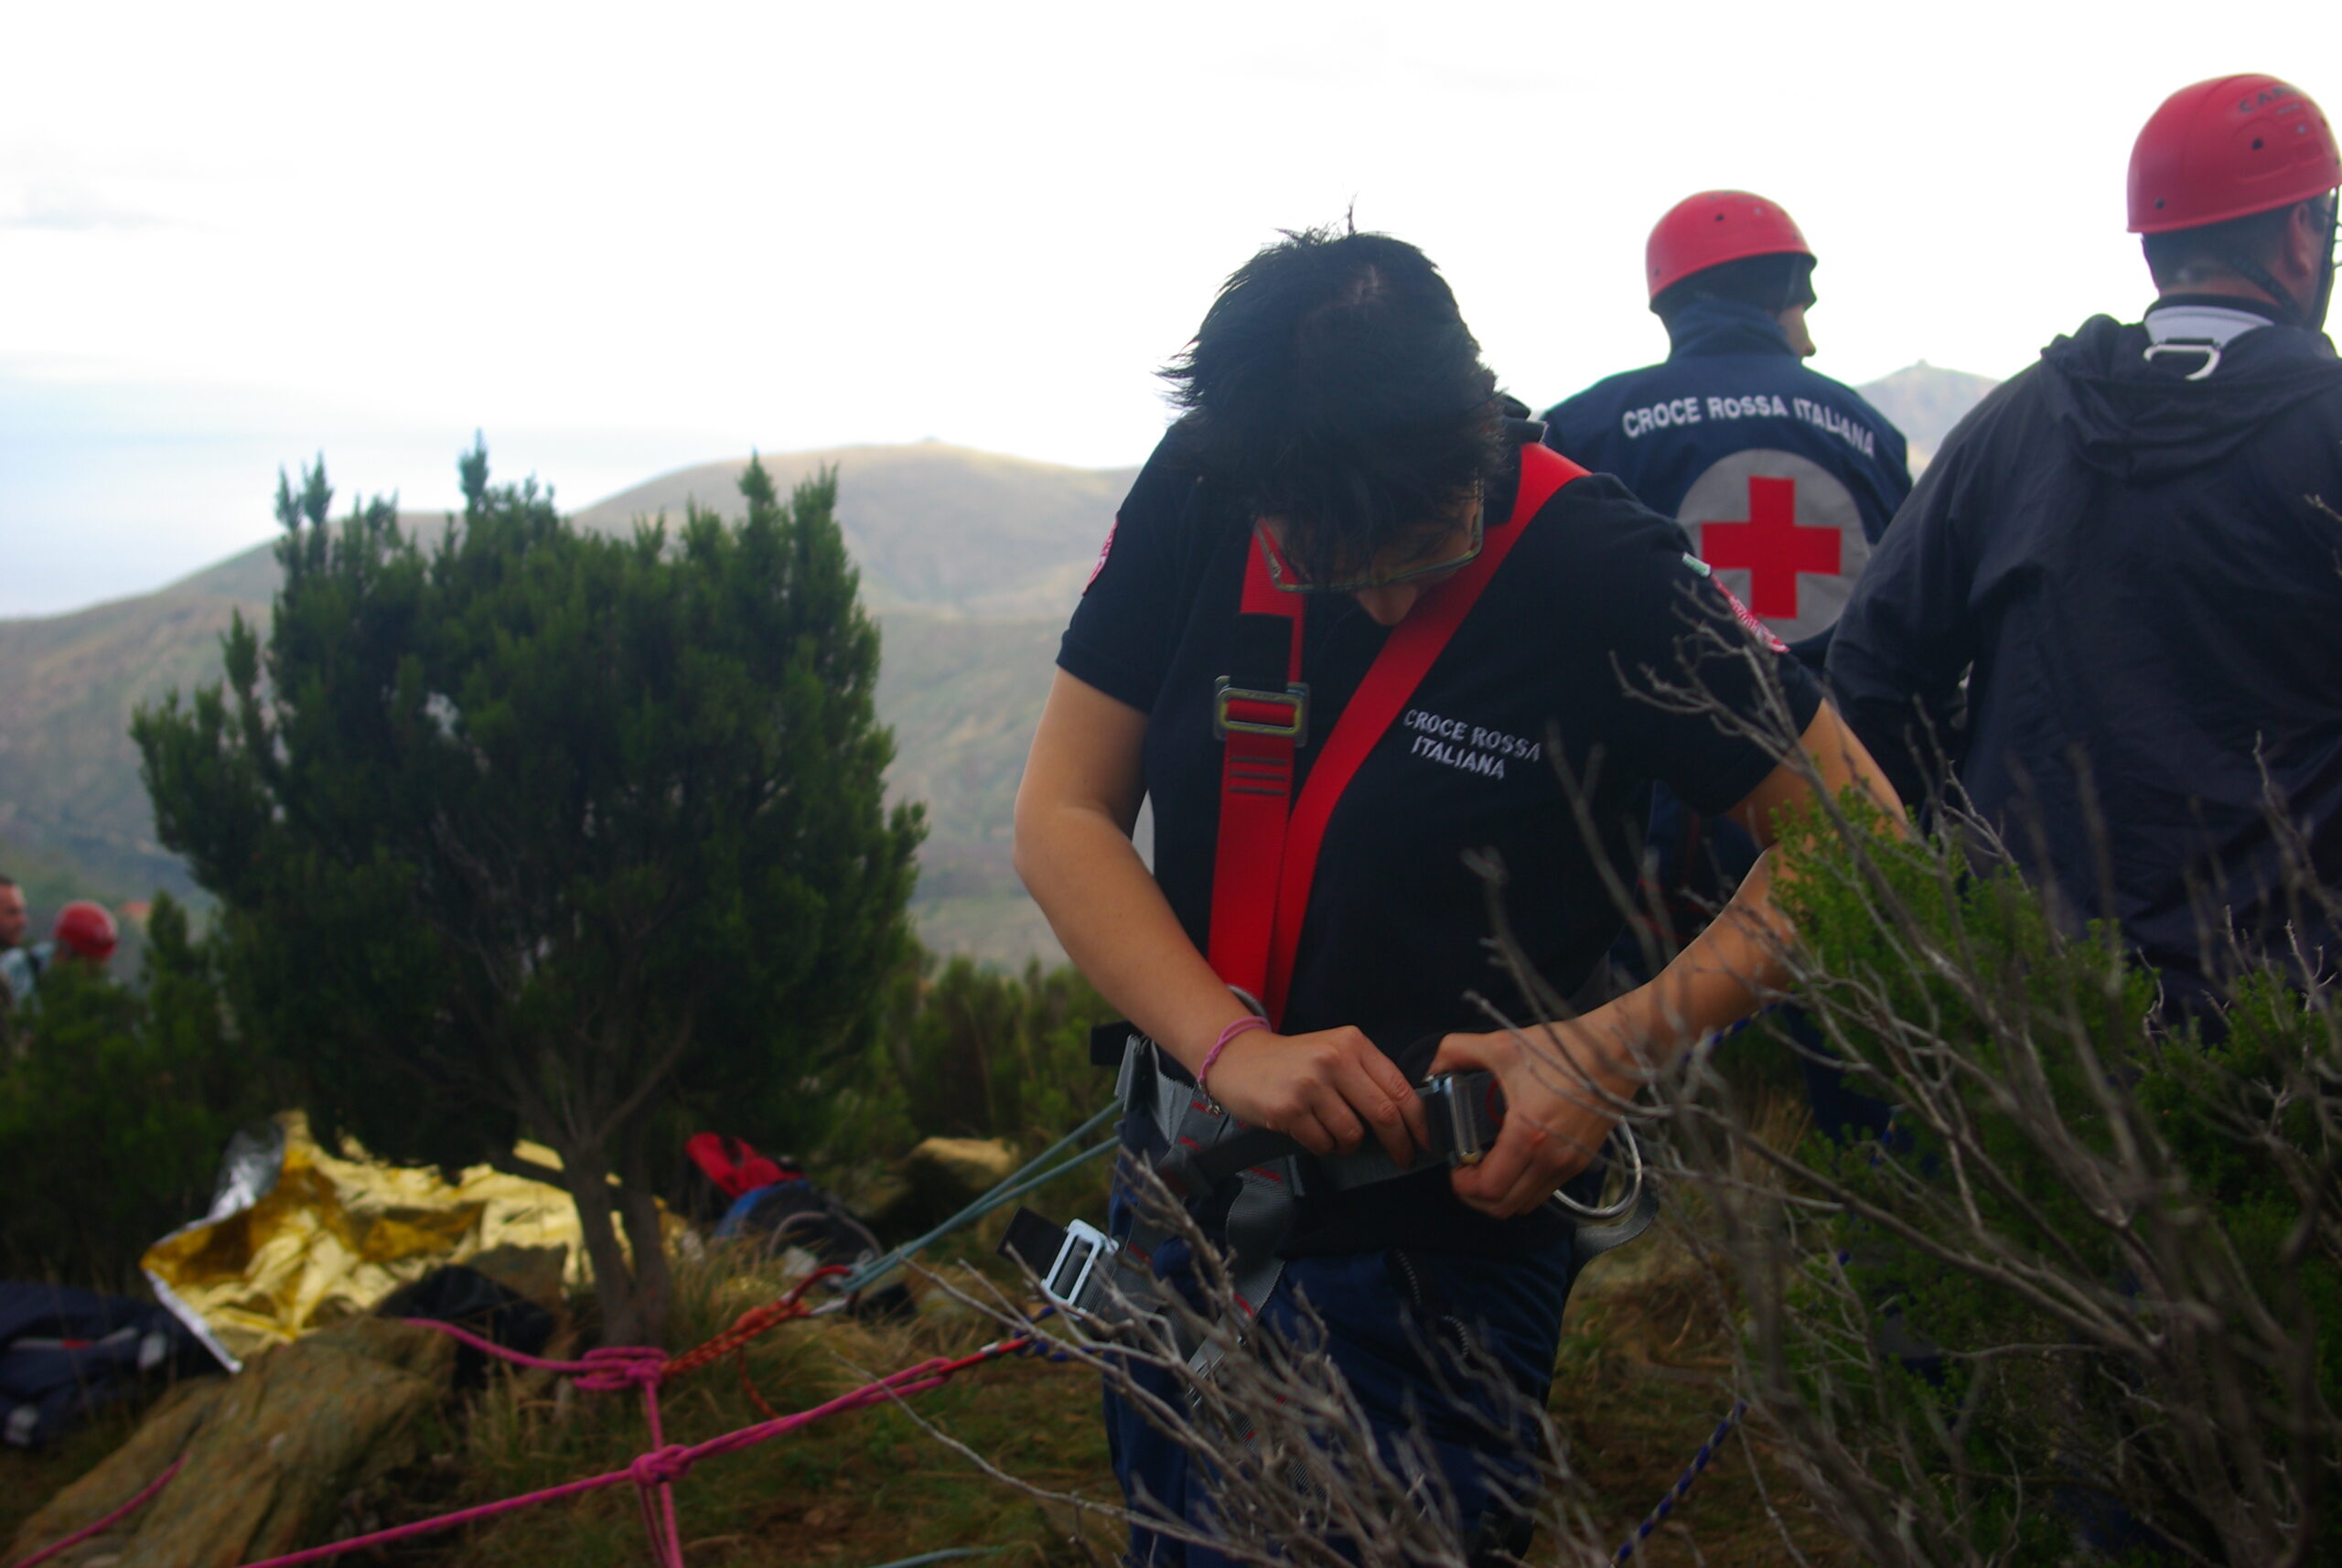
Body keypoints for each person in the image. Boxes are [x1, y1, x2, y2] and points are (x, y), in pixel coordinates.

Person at [1014, 225, 1901, 1563]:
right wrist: (1229, 1044)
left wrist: (1609, 1048)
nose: (1384, 602)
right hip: (1183, 1203)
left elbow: (1859, 838)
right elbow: (1063, 814)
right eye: (1333, 564)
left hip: (1433, 1261)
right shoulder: (1208, 486)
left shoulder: (1598, 565)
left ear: (1477, 437)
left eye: (1425, 549)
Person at [1828, 72, 2342, 1012]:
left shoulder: (2022, 418)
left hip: (2031, 1006)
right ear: (2303, 233)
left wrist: (1955, 873)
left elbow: (1872, 666)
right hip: (2283, 1021)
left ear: (2152, 246)